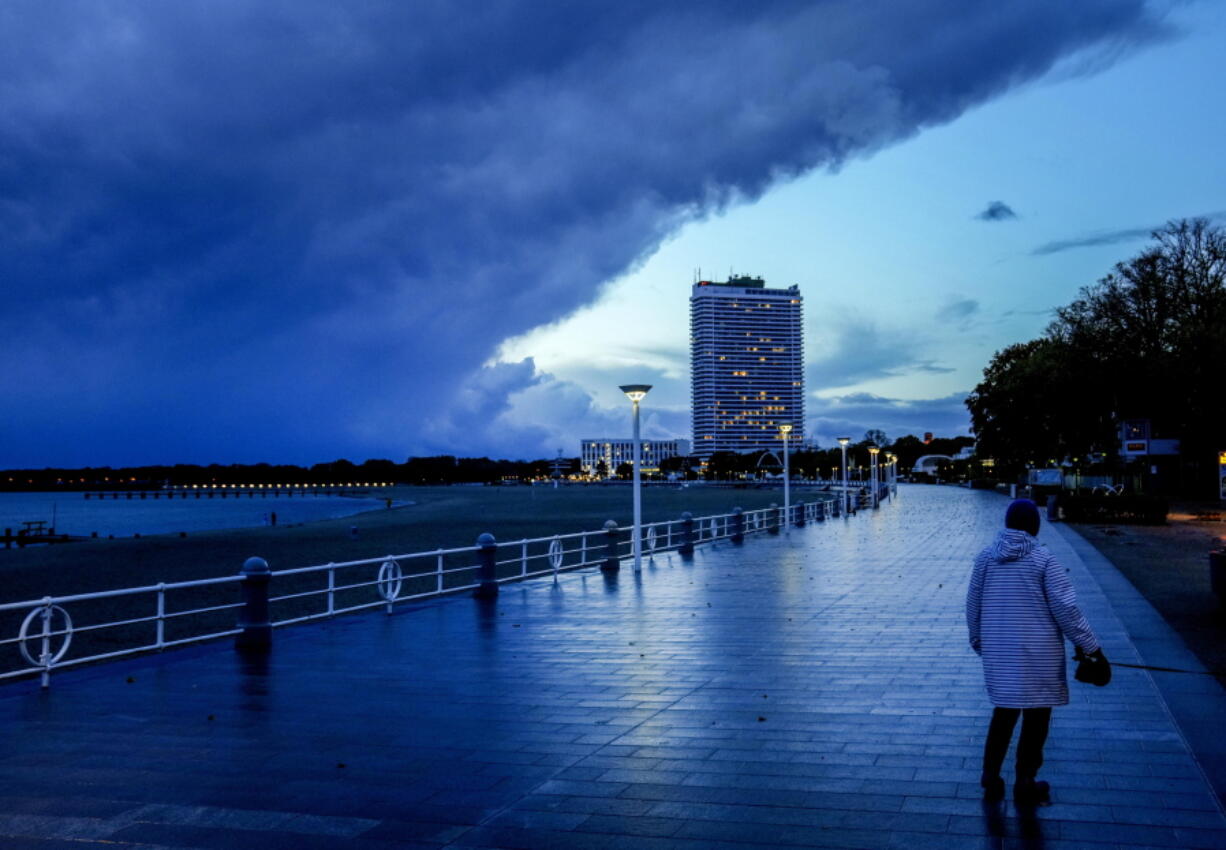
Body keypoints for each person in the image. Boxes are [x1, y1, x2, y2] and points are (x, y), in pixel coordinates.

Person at [965, 498, 1104, 805]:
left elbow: (973, 603)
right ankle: (1025, 779)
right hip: (1039, 652)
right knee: (1037, 716)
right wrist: (1091, 647)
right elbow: (1066, 608)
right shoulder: (1043, 559)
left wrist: (979, 641)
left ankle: (990, 774)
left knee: (1003, 712)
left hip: (999, 652)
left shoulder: (985, 558)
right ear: (1034, 525)